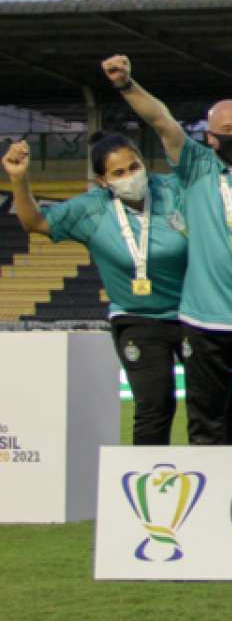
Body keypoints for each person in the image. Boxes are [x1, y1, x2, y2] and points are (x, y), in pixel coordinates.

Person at [103, 55, 232, 445]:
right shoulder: (197, 165)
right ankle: (209, 502)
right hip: (203, 318)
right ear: (209, 136)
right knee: (206, 422)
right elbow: (162, 121)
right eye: (226, 129)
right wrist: (126, 85)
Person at [6, 134, 190, 444]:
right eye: (119, 173)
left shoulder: (174, 191)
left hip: (193, 314)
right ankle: (145, 482)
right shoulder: (90, 209)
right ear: (103, 181)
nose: (131, 177)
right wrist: (19, 179)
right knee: (154, 406)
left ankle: (223, 476)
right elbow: (35, 222)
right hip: (137, 318)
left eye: (135, 166)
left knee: (214, 401)